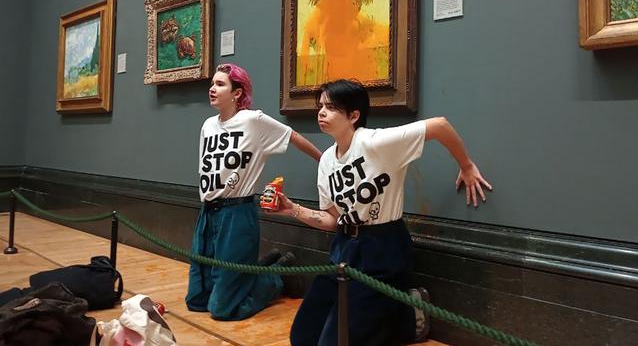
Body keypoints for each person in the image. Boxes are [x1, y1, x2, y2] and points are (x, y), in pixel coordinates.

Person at [272, 79, 492, 345]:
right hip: (344, 250)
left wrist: (466, 166)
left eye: (331, 107)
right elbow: (333, 219)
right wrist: (292, 209)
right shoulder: (327, 161)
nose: (321, 112)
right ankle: (399, 312)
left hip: (382, 249)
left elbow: (440, 125)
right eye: (321, 106)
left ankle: (410, 313)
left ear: (353, 115)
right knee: (302, 337)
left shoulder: (375, 142)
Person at [185, 63, 321, 321]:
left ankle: (277, 276)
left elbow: (292, 136)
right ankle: (260, 268)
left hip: (236, 213)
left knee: (223, 310)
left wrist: (326, 161)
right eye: (212, 84)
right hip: (208, 213)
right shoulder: (207, 126)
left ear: (237, 92)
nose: (212, 89)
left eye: (220, 84)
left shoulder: (252, 120)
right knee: (197, 302)